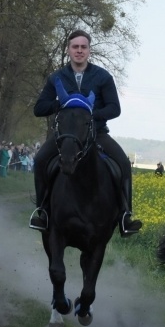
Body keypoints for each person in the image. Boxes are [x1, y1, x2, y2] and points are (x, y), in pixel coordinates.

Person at [30, 29, 142, 236]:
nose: (79, 51)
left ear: (89, 50)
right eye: (75, 47)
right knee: (40, 160)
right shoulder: (57, 77)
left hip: (96, 134)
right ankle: (42, 211)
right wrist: (63, 105)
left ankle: (126, 216)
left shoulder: (103, 77)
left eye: (83, 47)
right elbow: (39, 108)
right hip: (64, 137)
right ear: (69, 49)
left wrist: (90, 116)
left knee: (123, 164)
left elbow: (114, 108)